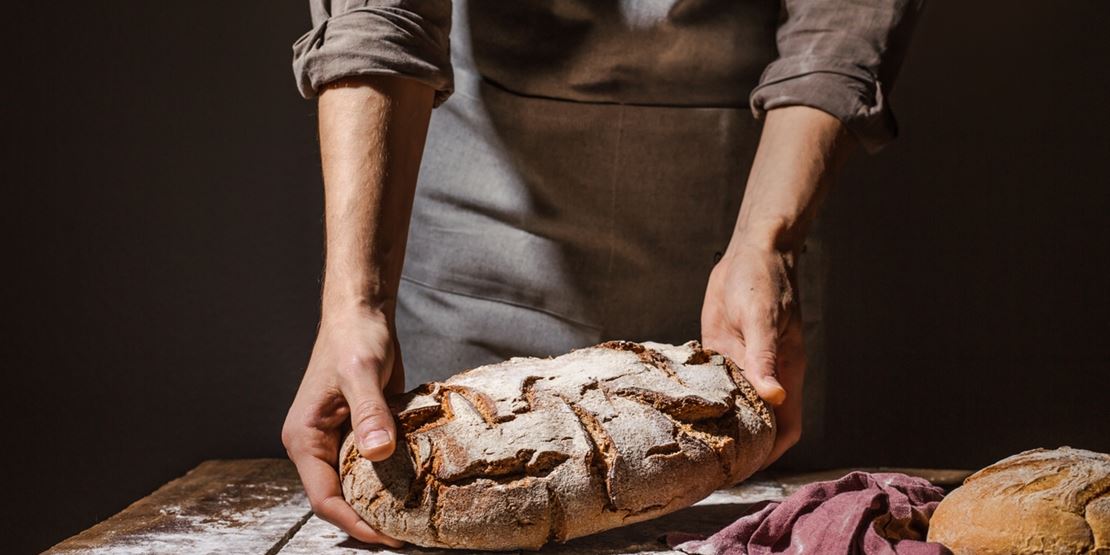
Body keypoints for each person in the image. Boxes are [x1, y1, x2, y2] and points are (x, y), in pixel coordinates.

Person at [281, 0, 923, 546]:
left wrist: (769, 240)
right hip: (483, 233)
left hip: (742, 219)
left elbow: (844, 13)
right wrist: (355, 300)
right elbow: (380, 10)